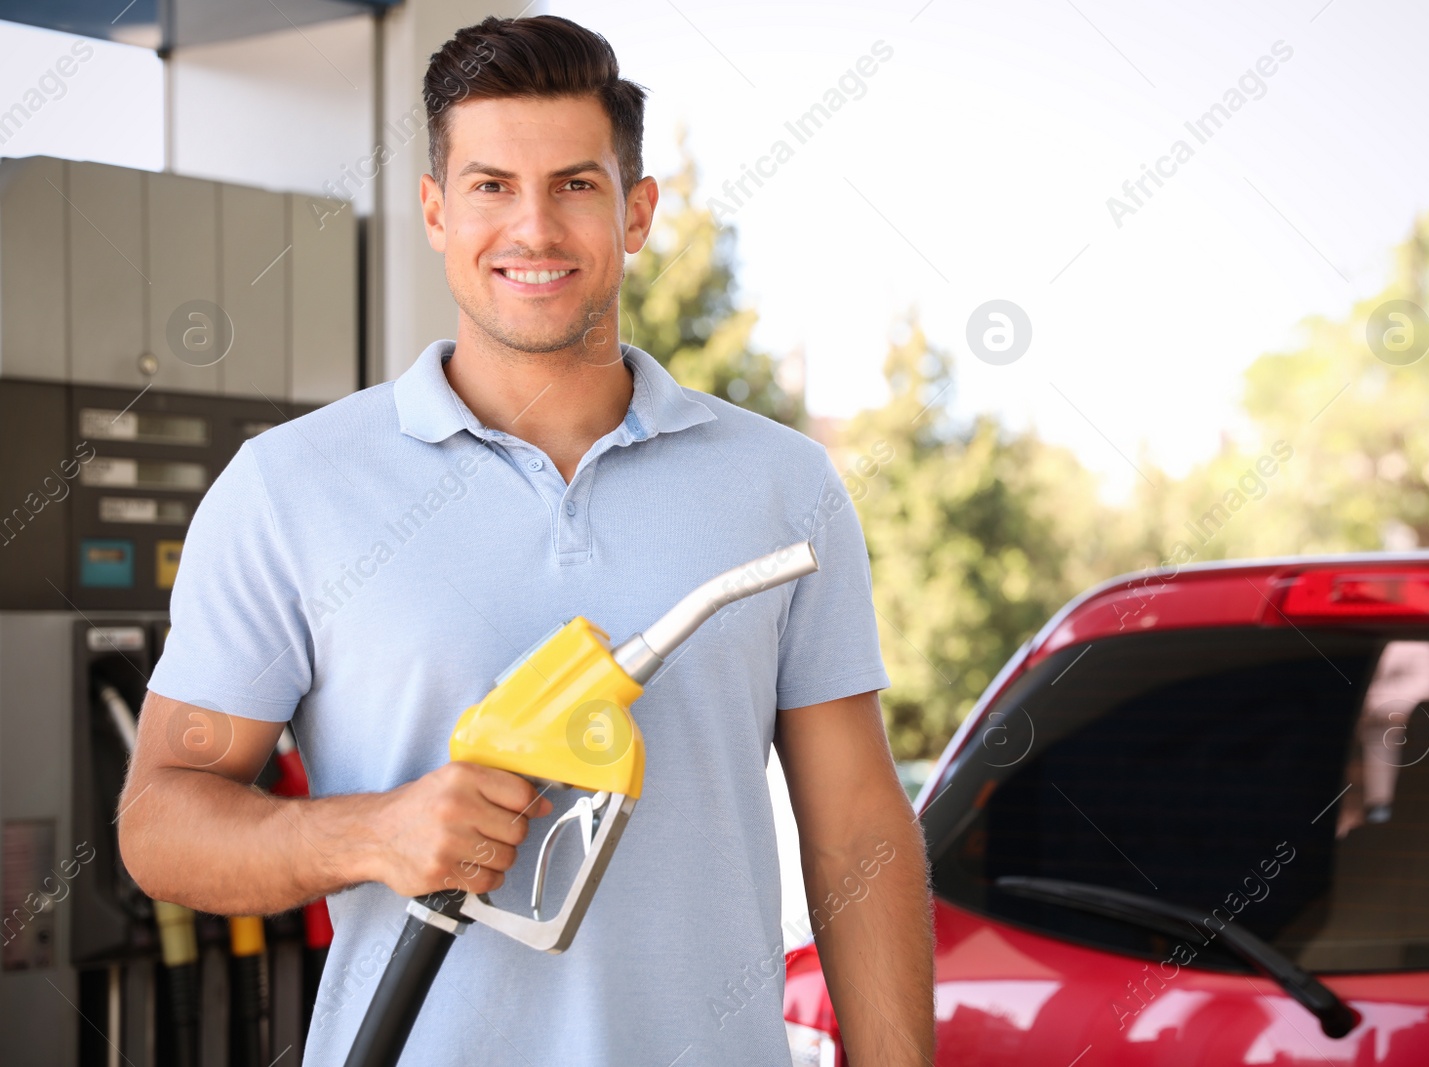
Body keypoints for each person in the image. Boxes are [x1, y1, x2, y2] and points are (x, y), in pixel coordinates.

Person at [118, 14, 934, 1066]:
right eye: (491, 185)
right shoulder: (289, 486)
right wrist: (374, 832)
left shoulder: (779, 484)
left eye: (576, 185)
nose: (533, 229)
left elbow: (858, 829)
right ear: (435, 210)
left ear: (636, 211)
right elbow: (159, 822)